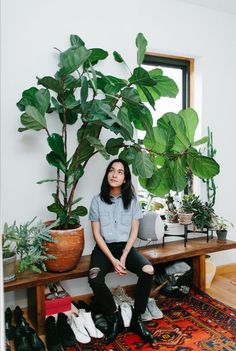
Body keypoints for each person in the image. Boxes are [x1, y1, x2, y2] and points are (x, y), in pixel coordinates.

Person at [88, 158, 155, 344]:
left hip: (125, 248)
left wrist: (124, 256)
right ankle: (115, 316)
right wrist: (112, 259)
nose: (114, 174)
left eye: (120, 172)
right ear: (107, 174)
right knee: (94, 278)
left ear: (125, 179)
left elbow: (134, 231)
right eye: (111, 170)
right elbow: (96, 234)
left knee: (148, 270)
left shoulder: (132, 201)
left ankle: (136, 318)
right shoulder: (97, 200)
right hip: (104, 249)